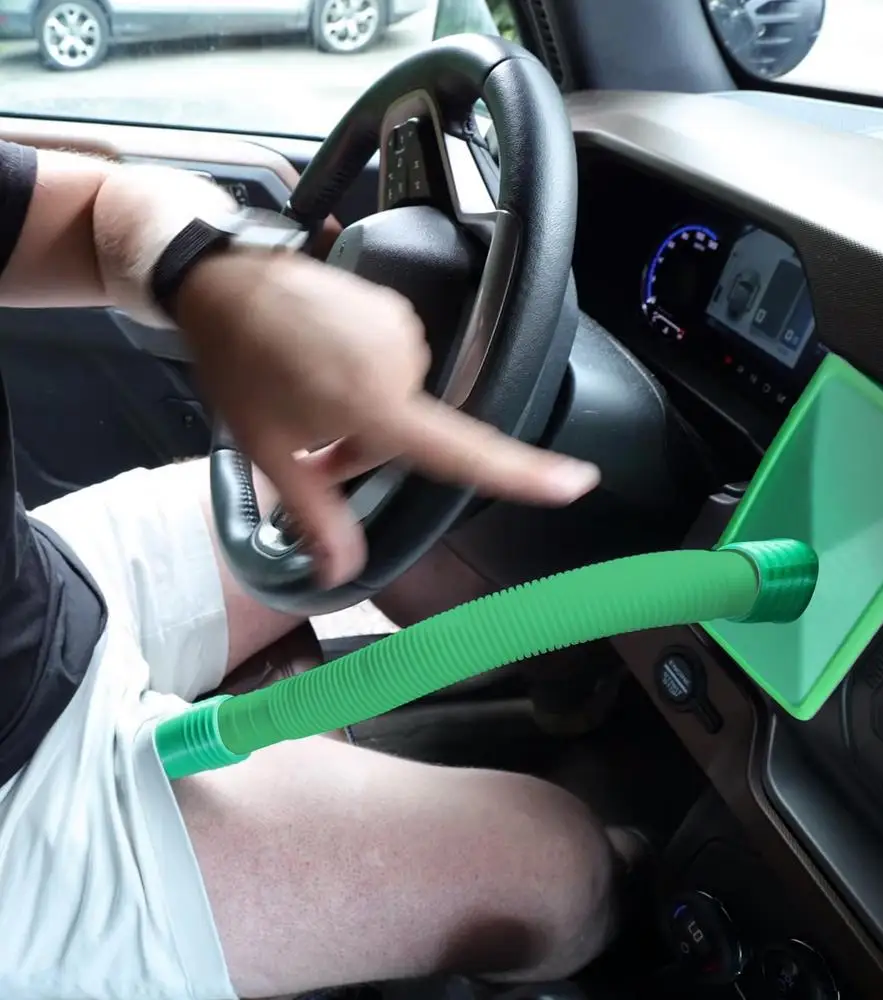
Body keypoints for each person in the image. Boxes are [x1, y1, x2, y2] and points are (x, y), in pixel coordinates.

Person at [0, 139, 634, 1000]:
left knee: (377, 485)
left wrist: (217, 277)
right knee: (563, 868)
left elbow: (88, 209)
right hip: (23, 833)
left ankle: (577, 684)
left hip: (46, 584)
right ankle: (624, 880)